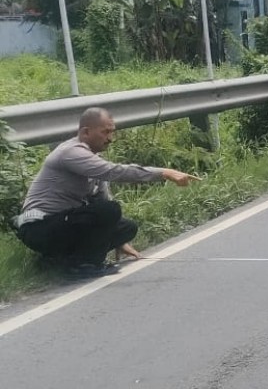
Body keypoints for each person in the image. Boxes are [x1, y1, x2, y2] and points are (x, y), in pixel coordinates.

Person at [14, 107, 198, 277]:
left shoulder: (92, 158)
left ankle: (58, 260)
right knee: (110, 210)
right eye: (105, 132)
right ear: (86, 132)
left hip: (63, 224)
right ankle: (83, 265)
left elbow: (102, 199)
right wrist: (164, 173)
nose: (110, 138)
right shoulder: (71, 152)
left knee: (126, 227)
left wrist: (118, 240)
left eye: (112, 132)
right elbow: (114, 172)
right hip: (38, 228)